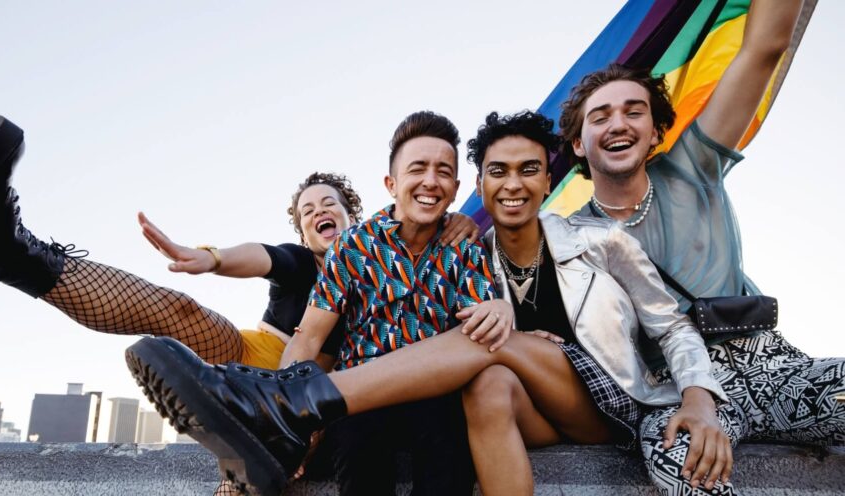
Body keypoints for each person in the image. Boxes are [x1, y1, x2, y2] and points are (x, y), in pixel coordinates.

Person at [0, 115, 480, 495]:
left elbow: (470, 212)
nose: (318, 212)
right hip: (265, 367)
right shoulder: (302, 263)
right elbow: (260, 258)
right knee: (184, 313)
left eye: (329, 204)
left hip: (341, 388)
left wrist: (461, 223)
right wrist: (214, 257)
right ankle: (8, 249)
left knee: (259, 464)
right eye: (307, 211)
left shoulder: (398, 249)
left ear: (358, 212)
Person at [126, 110, 505, 496]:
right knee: (358, 443)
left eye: (443, 171)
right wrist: (286, 405)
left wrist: (499, 307)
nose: (431, 181)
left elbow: (479, 333)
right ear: (391, 184)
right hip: (361, 395)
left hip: (435, 396)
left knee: (449, 444)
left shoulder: (466, 249)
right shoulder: (353, 246)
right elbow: (307, 336)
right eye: (418, 168)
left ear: (456, 189)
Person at [560, 1, 843, 494]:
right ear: (579, 144)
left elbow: (764, 48)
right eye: (600, 117)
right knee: (680, 461)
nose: (618, 124)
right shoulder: (566, 239)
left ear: (655, 131)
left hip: (767, 365)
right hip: (670, 391)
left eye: (634, 111)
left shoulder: (694, 165)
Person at [459, 110, 728, 495]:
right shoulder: (472, 258)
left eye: (529, 170)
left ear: (547, 182)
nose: (513, 184)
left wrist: (698, 397)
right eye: (498, 171)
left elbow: (672, 328)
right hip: (536, 412)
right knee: (487, 384)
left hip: (610, 405)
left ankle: (358, 392)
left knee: (491, 340)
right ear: (480, 184)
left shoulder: (602, 240)